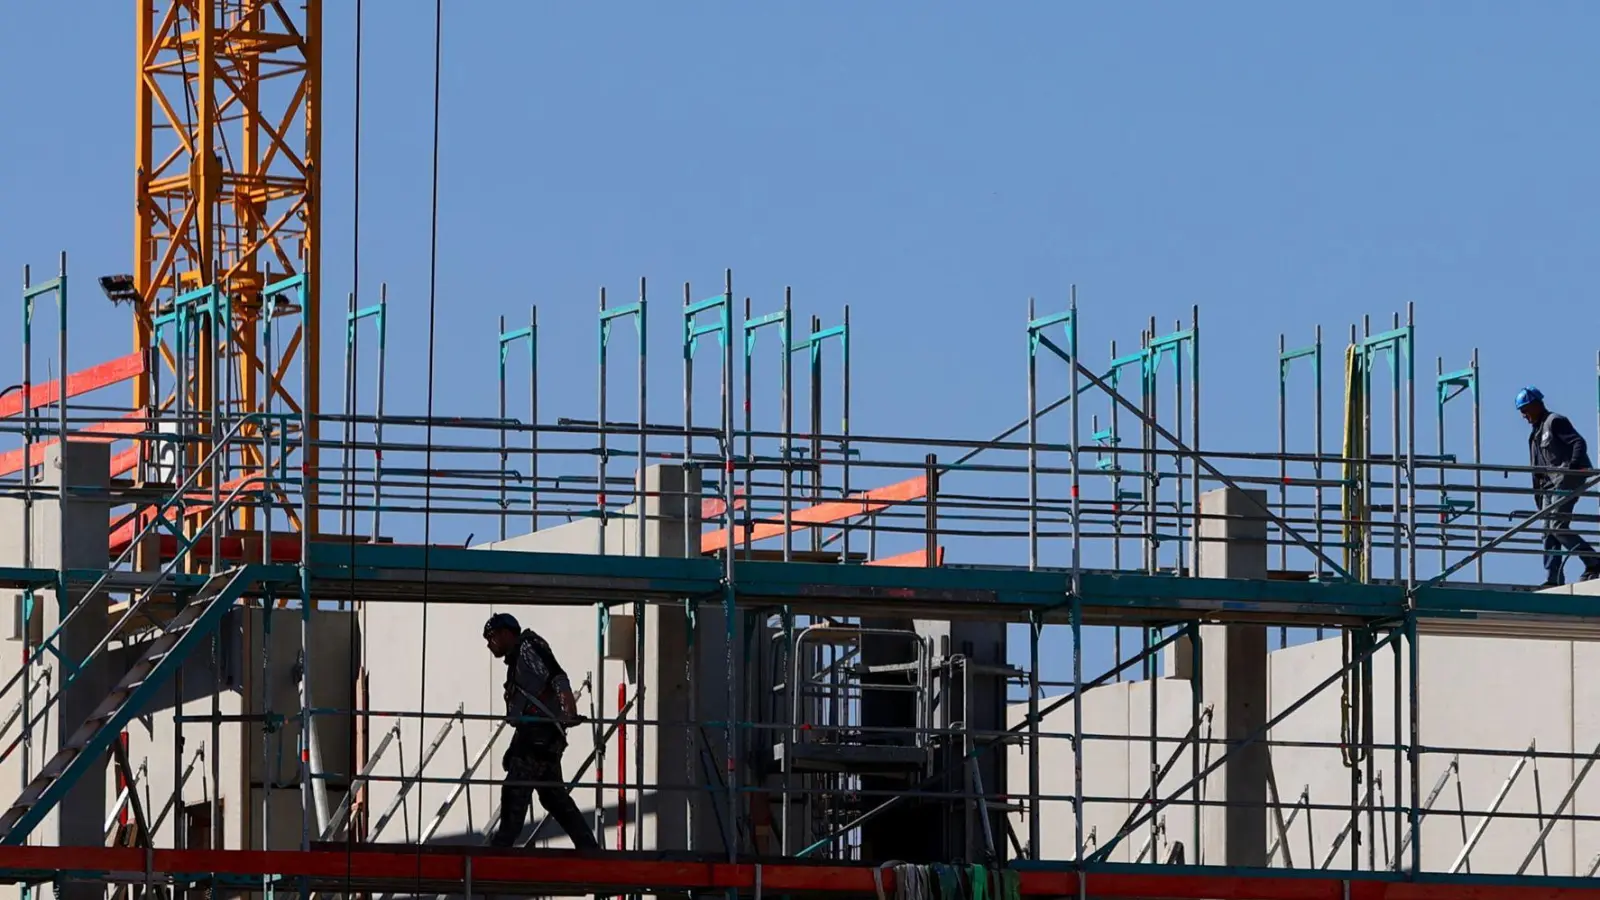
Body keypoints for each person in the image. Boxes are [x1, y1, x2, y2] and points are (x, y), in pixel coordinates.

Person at [483, 612, 599, 850]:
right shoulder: (519, 658)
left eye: (491, 637)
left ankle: (500, 849)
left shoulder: (527, 648)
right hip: (541, 738)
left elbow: (557, 676)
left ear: (506, 633)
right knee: (553, 797)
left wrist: (569, 710)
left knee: (515, 790)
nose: (489, 644)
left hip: (537, 738)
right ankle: (589, 849)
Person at [1517, 387, 1600, 586]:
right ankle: (1552, 579)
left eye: (1526, 410)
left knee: (1557, 526)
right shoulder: (1535, 434)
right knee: (1548, 531)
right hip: (1548, 486)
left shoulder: (1555, 422)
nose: (1524, 415)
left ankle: (1593, 561)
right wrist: (1538, 494)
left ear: (1537, 405)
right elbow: (1538, 467)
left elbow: (1578, 442)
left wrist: (1572, 468)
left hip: (1565, 479)